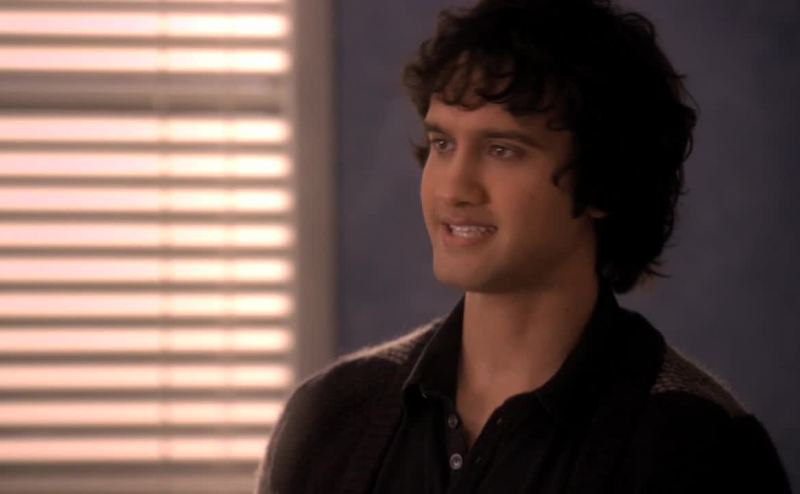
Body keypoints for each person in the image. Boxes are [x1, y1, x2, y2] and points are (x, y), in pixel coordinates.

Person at [255, 0, 792, 492]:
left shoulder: (699, 447)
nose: (453, 189)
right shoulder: (332, 415)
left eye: (502, 149)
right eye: (443, 143)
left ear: (604, 182)